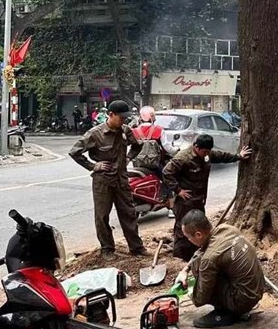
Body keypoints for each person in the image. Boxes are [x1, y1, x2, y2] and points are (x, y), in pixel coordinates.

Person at [69, 100, 147, 259]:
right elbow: (74, 152)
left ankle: (136, 247)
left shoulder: (125, 131)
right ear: (111, 115)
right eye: (121, 118)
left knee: (129, 213)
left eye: (125, 118)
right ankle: (107, 249)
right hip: (103, 181)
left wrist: (128, 158)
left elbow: (137, 145)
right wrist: (93, 166)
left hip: (121, 179)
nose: (124, 121)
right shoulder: (95, 134)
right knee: (102, 215)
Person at [163, 134, 252, 261]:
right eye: (204, 151)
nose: (206, 154)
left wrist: (239, 156)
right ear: (196, 147)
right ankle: (179, 258)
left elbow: (222, 156)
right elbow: (167, 172)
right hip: (185, 201)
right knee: (183, 229)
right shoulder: (183, 157)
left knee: (198, 227)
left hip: (199, 200)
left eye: (208, 151)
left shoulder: (207, 155)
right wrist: (178, 190)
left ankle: (195, 256)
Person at [174, 210, 264, 328]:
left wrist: (188, 290)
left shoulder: (209, 258)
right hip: (257, 290)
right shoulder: (226, 228)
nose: (188, 241)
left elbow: (200, 299)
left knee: (199, 266)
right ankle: (232, 303)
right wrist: (185, 270)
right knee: (202, 261)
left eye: (188, 237)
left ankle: (228, 312)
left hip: (243, 300)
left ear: (198, 235)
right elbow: (201, 250)